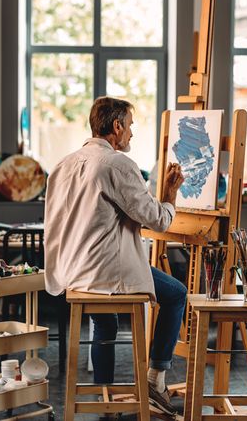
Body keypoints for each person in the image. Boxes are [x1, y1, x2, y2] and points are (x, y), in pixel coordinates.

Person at [44, 96, 187, 418]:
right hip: (106, 268)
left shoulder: (64, 164)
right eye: (131, 126)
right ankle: (155, 378)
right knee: (177, 293)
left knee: (103, 322)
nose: (132, 134)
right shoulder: (117, 164)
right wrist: (170, 196)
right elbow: (158, 220)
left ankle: (105, 400)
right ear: (116, 126)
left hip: (73, 270)